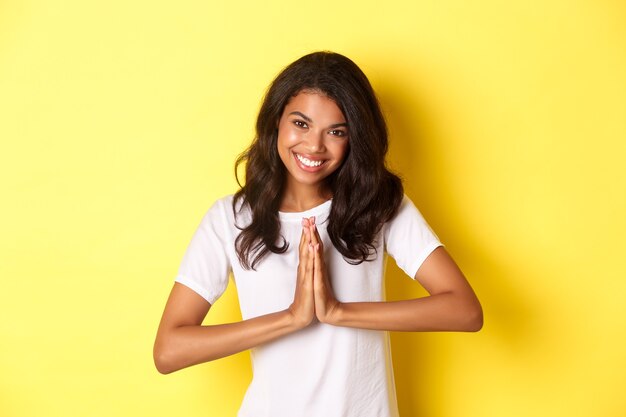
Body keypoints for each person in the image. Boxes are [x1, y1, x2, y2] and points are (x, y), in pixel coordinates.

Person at [153, 51, 483, 417]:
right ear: (276, 121)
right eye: (302, 123)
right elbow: (169, 351)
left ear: (354, 138)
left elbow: (464, 311)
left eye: (336, 132)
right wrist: (292, 317)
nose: (314, 146)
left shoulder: (379, 205)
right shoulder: (230, 219)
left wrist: (339, 312)